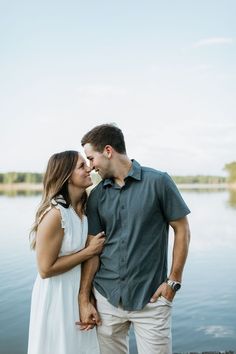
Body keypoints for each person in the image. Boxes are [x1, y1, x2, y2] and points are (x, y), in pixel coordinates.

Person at [78, 124, 191, 354]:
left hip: (151, 299)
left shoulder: (159, 182)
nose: (91, 167)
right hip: (106, 299)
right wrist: (85, 297)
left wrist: (173, 282)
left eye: (91, 159)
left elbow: (182, 230)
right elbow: (93, 249)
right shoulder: (97, 195)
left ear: (108, 151)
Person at [27, 150, 105, 354]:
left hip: (75, 291)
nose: (89, 168)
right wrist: (88, 252)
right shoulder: (55, 214)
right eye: (81, 166)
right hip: (55, 296)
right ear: (66, 175)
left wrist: (87, 297)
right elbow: (45, 269)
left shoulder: (82, 210)